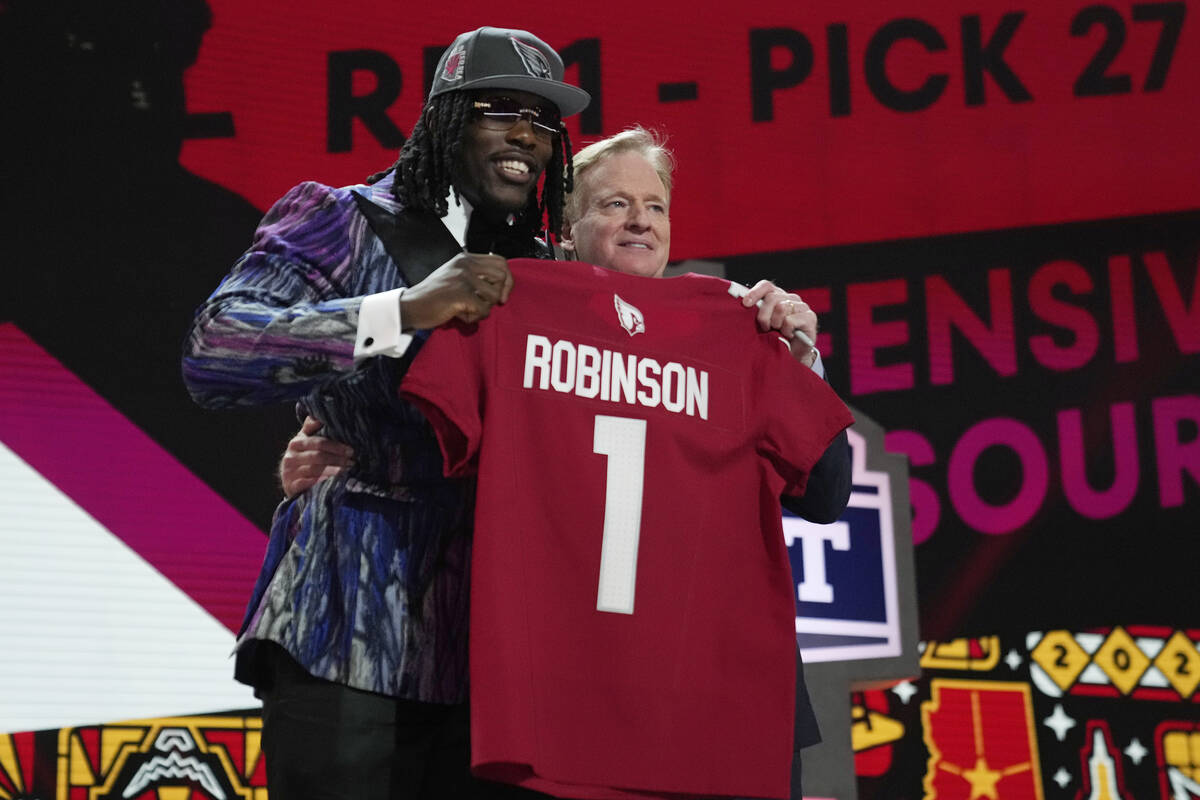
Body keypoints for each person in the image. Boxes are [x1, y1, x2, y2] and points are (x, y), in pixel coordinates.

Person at [281, 127, 850, 799]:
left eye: (656, 205)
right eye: (614, 204)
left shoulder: (740, 325)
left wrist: (801, 359)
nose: (640, 218)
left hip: (716, 699)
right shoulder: (511, 310)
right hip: (564, 699)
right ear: (568, 229)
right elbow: (411, 440)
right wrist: (348, 463)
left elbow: (826, 495)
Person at [183, 26, 589, 799]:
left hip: (492, 651)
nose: (526, 137)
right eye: (501, 110)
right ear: (445, 118)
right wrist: (401, 310)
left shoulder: (550, 269)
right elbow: (217, 352)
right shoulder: (341, 220)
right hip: (346, 627)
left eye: (543, 121)